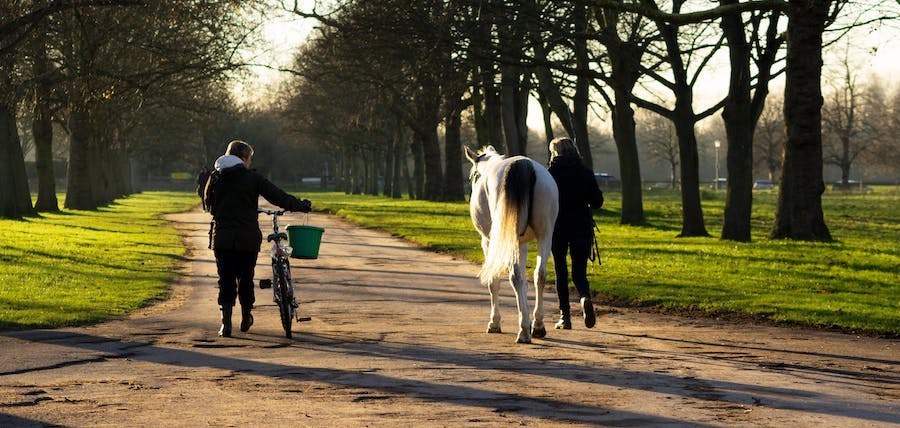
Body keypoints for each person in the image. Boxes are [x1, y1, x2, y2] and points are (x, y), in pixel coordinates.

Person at [204, 140, 312, 337]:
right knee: (246, 278)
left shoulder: (216, 177)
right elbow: (277, 196)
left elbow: (208, 204)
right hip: (247, 237)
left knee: (225, 278)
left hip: (223, 236)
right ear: (244, 158)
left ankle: (225, 323)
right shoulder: (252, 178)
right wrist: (300, 205)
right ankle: (246, 317)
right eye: (249, 158)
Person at [547, 137, 603, 330]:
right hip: (582, 226)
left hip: (558, 227)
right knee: (579, 272)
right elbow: (597, 202)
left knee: (560, 270)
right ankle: (584, 297)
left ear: (556, 152)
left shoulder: (551, 173)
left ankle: (565, 317)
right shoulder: (585, 172)